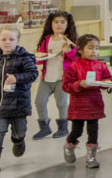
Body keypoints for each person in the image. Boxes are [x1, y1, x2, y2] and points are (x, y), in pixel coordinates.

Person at [0, 25, 39, 173]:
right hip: (0, 104)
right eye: (3, 39)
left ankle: (18, 140)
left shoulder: (24, 58)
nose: (7, 42)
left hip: (19, 103)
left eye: (11, 39)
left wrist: (16, 78)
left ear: (17, 41)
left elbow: (33, 74)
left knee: (20, 130)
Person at [61, 34, 112, 169]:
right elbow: (66, 85)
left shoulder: (101, 66)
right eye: (90, 48)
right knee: (77, 131)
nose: (94, 51)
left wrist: (107, 83)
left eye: (96, 48)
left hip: (94, 104)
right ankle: (69, 145)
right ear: (80, 50)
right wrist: (79, 85)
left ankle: (91, 157)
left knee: (93, 131)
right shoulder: (73, 66)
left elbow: (106, 80)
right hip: (78, 106)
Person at [32, 11, 78, 140]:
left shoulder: (70, 41)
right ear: (51, 24)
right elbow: (40, 58)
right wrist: (36, 56)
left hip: (61, 79)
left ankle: (63, 128)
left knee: (62, 103)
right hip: (46, 78)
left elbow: (76, 58)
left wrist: (68, 51)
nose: (59, 25)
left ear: (68, 24)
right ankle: (44, 127)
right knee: (39, 102)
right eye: (56, 22)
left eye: (62, 22)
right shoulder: (47, 40)